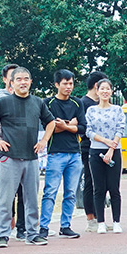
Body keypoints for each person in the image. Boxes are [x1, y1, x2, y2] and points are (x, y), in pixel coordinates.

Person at [0, 66, 56, 247]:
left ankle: (32, 233)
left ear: (30, 82)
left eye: (26, 79)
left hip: (31, 157)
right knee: (6, 198)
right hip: (9, 157)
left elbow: (51, 121)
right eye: (19, 79)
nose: (23, 82)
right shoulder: (3, 102)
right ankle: (2, 234)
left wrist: (44, 140)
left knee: (31, 198)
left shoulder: (38, 102)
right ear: (11, 83)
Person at [0, 64, 26, 243]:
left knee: (24, 192)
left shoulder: (27, 98)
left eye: (21, 77)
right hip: (7, 149)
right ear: (6, 80)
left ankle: (23, 229)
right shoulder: (1, 99)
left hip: (25, 151)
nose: (18, 80)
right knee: (4, 192)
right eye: (13, 77)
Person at [41, 70, 84, 239]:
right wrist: (70, 125)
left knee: (71, 193)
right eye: (65, 83)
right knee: (50, 191)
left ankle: (65, 226)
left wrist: (63, 125)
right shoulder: (48, 103)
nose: (68, 87)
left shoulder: (78, 103)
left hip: (75, 153)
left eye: (71, 83)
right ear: (57, 84)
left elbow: (82, 129)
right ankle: (44, 226)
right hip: (55, 153)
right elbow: (50, 128)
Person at [85, 78, 125, 234]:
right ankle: (100, 222)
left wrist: (111, 149)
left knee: (114, 188)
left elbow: (120, 129)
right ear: (97, 90)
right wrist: (105, 141)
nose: (105, 91)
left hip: (114, 151)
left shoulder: (117, 110)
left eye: (108, 89)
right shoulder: (91, 111)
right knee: (98, 188)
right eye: (102, 89)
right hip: (96, 151)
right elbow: (88, 131)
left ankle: (116, 221)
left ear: (111, 91)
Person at [77, 71, 107, 232]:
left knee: (101, 183)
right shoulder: (84, 103)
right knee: (90, 181)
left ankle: (99, 217)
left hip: (103, 148)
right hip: (89, 148)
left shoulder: (100, 104)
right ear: (97, 86)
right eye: (103, 87)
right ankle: (90, 218)